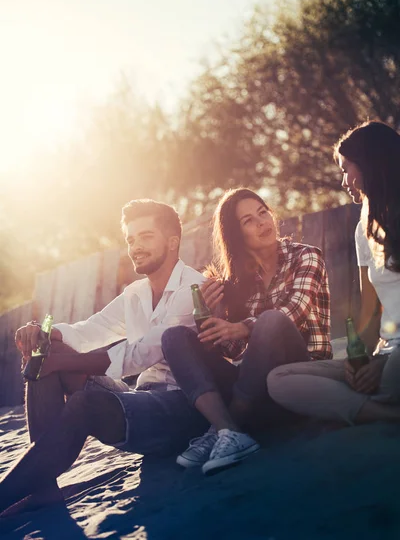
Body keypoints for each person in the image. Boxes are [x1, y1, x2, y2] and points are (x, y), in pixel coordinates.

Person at [0, 199, 208, 515]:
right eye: (131, 239)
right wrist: (46, 333)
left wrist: (65, 361)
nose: (136, 246)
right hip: (141, 398)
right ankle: (44, 489)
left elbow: (138, 355)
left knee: (84, 401)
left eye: (146, 236)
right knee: (48, 353)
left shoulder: (193, 287)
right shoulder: (135, 293)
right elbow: (91, 329)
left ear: (172, 241)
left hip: (182, 409)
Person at [161, 188, 332, 475]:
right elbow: (235, 352)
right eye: (248, 220)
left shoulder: (306, 257)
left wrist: (241, 327)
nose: (262, 222)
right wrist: (215, 318)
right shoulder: (238, 282)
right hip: (257, 393)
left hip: (301, 382)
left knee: (272, 320)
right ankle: (228, 431)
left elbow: (293, 313)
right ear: (236, 235)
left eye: (263, 212)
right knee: (174, 337)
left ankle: (224, 428)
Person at [267, 121, 400, 426]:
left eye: (346, 169)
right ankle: (385, 411)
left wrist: (386, 365)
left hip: (396, 362)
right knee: (280, 379)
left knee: (393, 373)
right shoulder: (363, 229)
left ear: (370, 164)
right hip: (386, 354)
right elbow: (371, 313)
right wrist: (360, 360)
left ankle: (369, 402)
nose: (344, 181)